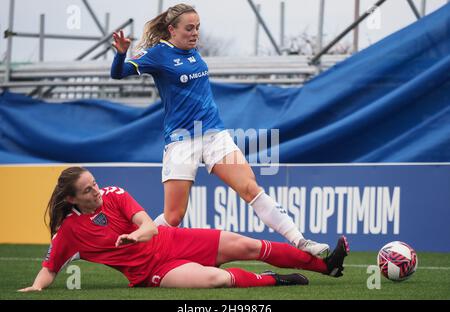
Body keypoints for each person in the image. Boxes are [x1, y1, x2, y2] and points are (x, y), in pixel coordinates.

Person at [110, 3, 330, 257]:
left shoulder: (193, 51)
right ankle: (122, 244)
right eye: (189, 28)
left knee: (250, 188)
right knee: (173, 217)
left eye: (198, 28)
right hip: (182, 141)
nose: (195, 33)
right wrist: (120, 54)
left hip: (214, 135)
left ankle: (301, 241)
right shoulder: (159, 55)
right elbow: (118, 74)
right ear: (171, 29)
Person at [19, 167, 349, 291]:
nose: (97, 190)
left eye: (95, 183)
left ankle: (326, 266)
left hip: (175, 240)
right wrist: (36, 288)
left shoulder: (115, 195)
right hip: (154, 271)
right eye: (89, 189)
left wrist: (134, 235)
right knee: (215, 279)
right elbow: (50, 268)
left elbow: (148, 226)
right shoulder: (70, 231)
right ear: (72, 197)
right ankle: (274, 280)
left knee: (248, 245)